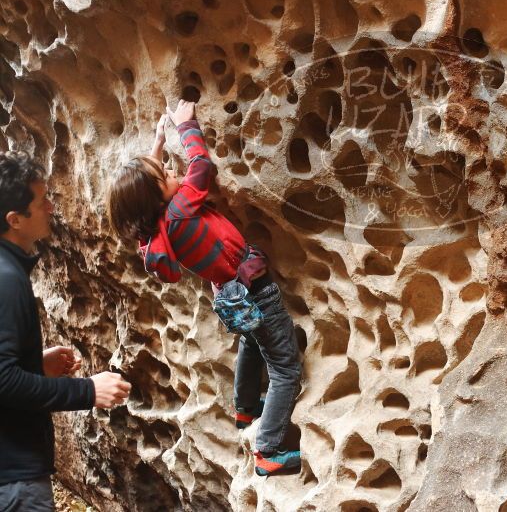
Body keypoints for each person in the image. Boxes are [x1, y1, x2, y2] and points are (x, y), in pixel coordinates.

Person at [105, 101, 302, 477]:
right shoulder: (181, 210)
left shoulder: (155, 231)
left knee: (251, 340)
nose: (168, 168)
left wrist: (158, 143)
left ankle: (245, 408)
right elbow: (201, 167)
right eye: (163, 172)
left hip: (231, 293)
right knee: (285, 370)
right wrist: (185, 126)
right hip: (254, 286)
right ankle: (268, 452)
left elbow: (148, 187)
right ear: (160, 196)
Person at [0, 150, 131, 511]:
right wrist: (86, 390)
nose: (52, 209)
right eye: (42, 202)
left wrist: (32, 363)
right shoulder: (7, 280)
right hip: (14, 481)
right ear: (15, 219)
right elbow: (2, 380)